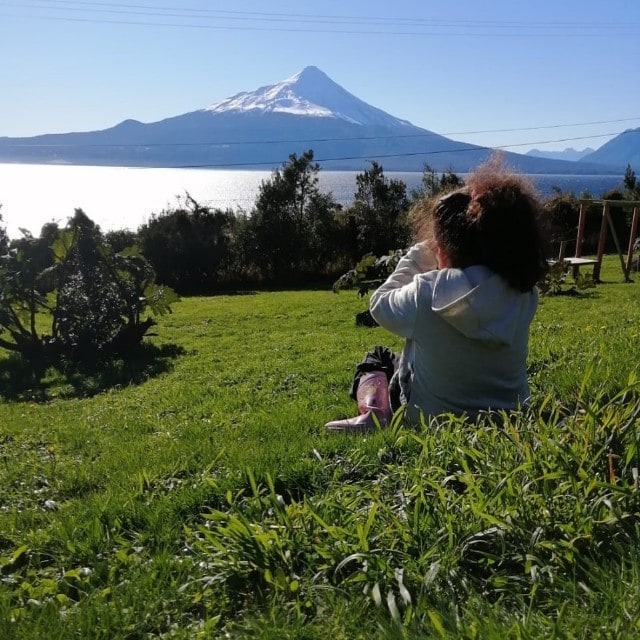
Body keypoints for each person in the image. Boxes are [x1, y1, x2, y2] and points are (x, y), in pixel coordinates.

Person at [325, 158, 548, 431]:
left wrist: (418, 255)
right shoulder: (524, 293)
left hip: (432, 420)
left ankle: (375, 412)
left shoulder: (426, 292)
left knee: (378, 357)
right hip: (510, 417)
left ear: (443, 245)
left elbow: (379, 303)